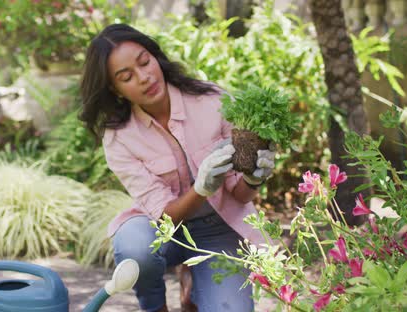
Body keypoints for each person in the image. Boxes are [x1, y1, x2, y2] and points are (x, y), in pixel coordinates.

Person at [79, 24, 276, 312]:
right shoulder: (120, 138)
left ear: (155, 56)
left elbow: (239, 195)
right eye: (127, 77)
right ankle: (156, 307)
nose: (144, 77)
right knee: (135, 249)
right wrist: (201, 189)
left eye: (145, 62)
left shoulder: (211, 100)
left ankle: (193, 284)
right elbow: (164, 216)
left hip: (217, 230)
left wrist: (254, 178)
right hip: (161, 231)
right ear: (115, 89)